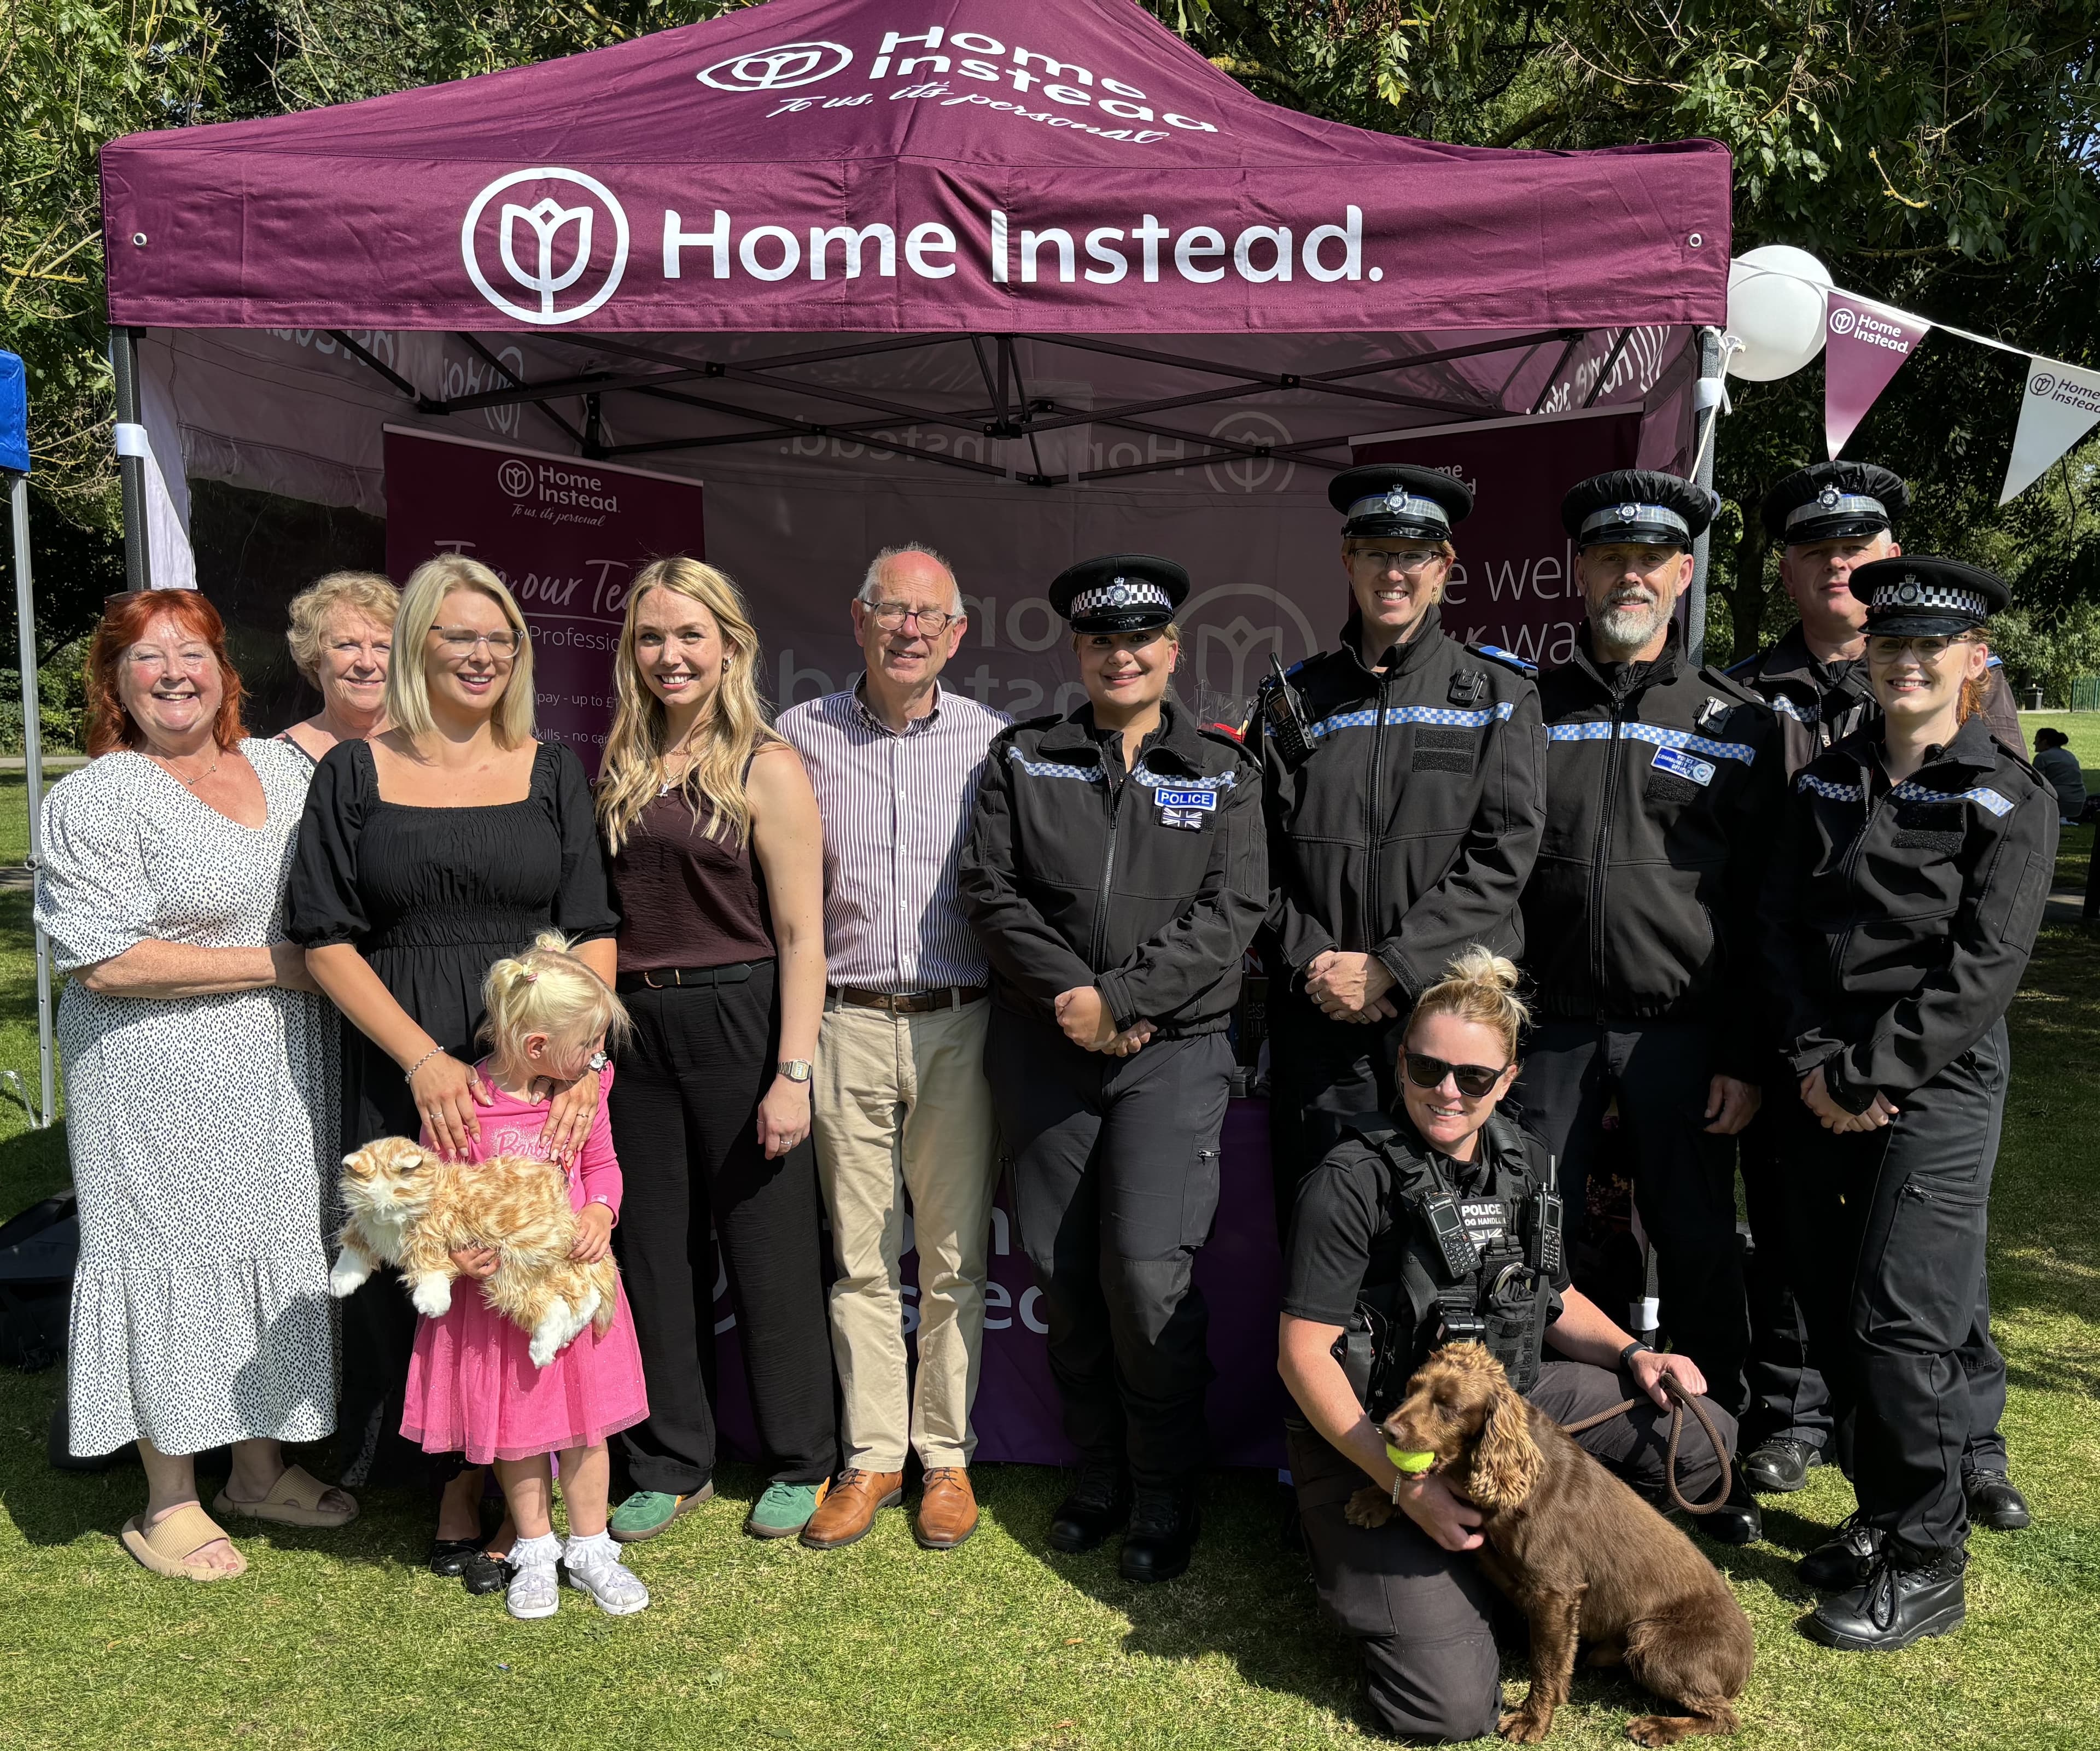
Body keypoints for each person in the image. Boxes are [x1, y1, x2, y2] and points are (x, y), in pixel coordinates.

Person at [1278, 949, 1738, 1742]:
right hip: (1381, 1428)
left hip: (1498, 1411)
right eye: (1428, 1068)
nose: (1447, 1091)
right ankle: (1434, 1561)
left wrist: (1635, 1354)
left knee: (1703, 1436)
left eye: (1474, 1076)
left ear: (1508, 1078)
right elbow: (1303, 1355)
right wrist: (1402, 1484)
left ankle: (1514, 1561)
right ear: (1402, 1060)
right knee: (1447, 1709)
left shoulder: (1522, 1160)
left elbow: (1550, 1299)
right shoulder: (1350, 1181)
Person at [288, 553, 618, 1594]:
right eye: (459, 635)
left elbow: (592, 928)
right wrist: (426, 1060)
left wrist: (583, 1063)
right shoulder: (354, 772)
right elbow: (324, 936)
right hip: (406, 1053)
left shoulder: (552, 768)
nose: (482, 654)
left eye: (499, 637)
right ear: (417, 644)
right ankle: (451, 1480)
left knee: (521, 1258)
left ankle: (520, 1494)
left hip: (531, 1062)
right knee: (432, 1266)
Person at [1761, 556, 2055, 1651]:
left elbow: (1981, 972)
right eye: (1891, 643)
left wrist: (1867, 1075)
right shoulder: (1825, 782)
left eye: (1933, 646)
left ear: (1975, 661)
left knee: (1904, 1322)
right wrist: (1815, 1058)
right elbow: (1780, 929)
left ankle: (1929, 1561)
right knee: (1838, 1309)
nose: (1909, 662)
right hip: (1823, 1075)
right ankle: (1884, 1514)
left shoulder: (2009, 797)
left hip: (1932, 1086)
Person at [36, 589, 355, 1581]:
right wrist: (281, 966)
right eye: (147, 656)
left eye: (193, 653)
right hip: (152, 1069)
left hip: (280, 1062)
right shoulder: (97, 796)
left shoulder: (281, 768)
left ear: (225, 670)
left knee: (270, 1241)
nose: (174, 672)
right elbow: (105, 960)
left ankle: (257, 1469)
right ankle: (168, 1496)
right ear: (113, 681)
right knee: (167, 1258)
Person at [1729, 465, 2031, 1515]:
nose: (1836, 564)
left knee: (1926, 1265)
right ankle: (1810, 1427)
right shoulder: (1757, 702)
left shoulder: (1969, 698)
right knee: (1804, 1246)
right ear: (1788, 569)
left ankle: (1962, 1457)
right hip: (1807, 1027)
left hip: (1921, 1046)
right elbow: (1765, 895)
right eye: (1815, 548)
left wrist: (1884, 1061)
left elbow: (1991, 892)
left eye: (1855, 547)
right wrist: (1808, 1051)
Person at [962, 555, 1267, 1583]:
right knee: (1065, 1272)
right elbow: (990, 890)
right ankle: (1099, 1473)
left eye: (1140, 639)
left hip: (1172, 1055)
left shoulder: (1224, 770)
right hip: (1045, 1047)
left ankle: (1164, 1483)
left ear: (1173, 650)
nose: (1120, 656)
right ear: (1078, 651)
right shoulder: (1024, 756)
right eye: (1101, 640)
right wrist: (1079, 1002)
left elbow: (1232, 913)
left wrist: (1124, 1003)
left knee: (1145, 1275)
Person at [1512, 470, 1778, 1537]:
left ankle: (1712, 1453)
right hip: (1548, 1028)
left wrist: (1747, 1052)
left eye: (1651, 561)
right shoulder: (1524, 709)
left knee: (1700, 1240)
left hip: (1686, 1033)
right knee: (1536, 1234)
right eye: (1611, 558)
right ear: (1580, 572)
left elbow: (1763, 906)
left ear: (1681, 575)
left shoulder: (1741, 724)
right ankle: (1532, 1443)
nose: (1631, 577)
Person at [592, 557, 839, 1545]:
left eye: (691, 634)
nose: (671, 655)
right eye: (653, 636)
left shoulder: (766, 764)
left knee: (768, 1252)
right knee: (653, 1254)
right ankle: (671, 1460)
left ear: (731, 646)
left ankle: (802, 1458)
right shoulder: (620, 761)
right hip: (636, 1029)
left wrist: (793, 1071)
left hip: (743, 1018)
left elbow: (804, 936)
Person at [777, 546, 1009, 1552]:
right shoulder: (799, 736)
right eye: (892, 611)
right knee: (861, 1256)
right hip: (846, 1020)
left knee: (955, 1255)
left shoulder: (994, 743)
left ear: (957, 635)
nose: (909, 630)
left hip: (962, 1020)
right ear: (858, 619)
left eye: (929, 616)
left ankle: (944, 1457)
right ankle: (872, 1457)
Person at [1259, 465, 1546, 1231]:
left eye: (1412, 554)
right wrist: (1318, 962)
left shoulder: (1499, 695)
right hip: (1322, 1018)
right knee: (1321, 1230)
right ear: (1347, 560)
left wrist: (1393, 965)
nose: (1394, 571)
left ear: (1443, 566)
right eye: (1375, 551)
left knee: (1450, 1241)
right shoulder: (1293, 700)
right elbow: (1258, 859)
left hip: (1449, 1021)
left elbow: (1504, 854)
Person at [400, 934, 651, 1620]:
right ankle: (535, 1550)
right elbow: (434, 1197)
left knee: (587, 1430)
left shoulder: (582, 1095)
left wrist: (601, 1210)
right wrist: (456, 1253)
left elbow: (602, 1164)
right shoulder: (463, 1104)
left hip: (574, 1292)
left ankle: (592, 1547)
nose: (598, 1057)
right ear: (537, 1045)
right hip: (498, 1310)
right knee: (516, 1429)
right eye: (589, 1045)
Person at [278, 570, 399, 764]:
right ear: (315, 657)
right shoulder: (279, 759)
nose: (367, 663)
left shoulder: (434, 749)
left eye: (383, 647)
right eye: (347, 646)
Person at [2031, 727, 2089, 823]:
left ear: (2044, 742)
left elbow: (2036, 782)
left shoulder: (2042, 757)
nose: (2034, 743)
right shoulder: (2069, 755)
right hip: (2078, 802)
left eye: (2036, 740)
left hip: (2060, 802)